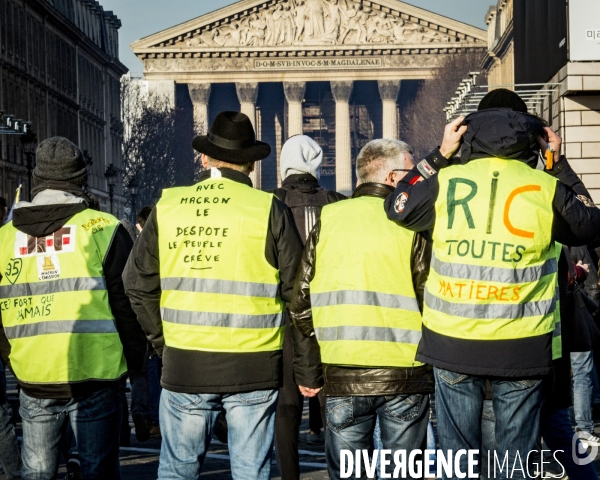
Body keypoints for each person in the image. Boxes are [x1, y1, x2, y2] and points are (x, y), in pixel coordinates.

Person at [385, 88, 600, 479]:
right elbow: (591, 222)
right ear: (532, 137)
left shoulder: (447, 182)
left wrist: (439, 154)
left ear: (468, 132)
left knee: (458, 461)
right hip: (520, 346)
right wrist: (557, 163)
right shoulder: (543, 188)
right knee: (515, 465)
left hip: (452, 338)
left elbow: (398, 205)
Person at [123, 111, 303, 480]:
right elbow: (300, 293)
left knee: (177, 471)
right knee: (251, 472)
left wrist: (163, 342)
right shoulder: (269, 209)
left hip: (185, 362)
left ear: (205, 158)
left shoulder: (168, 207)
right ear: (252, 164)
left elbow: (136, 284)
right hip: (253, 365)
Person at [0, 137, 146, 479]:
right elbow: (126, 306)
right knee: (98, 470)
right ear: (80, 180)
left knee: (36, 472)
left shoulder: (6, 237)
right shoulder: (103, 229)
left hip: (34, 374)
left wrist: (13, 356)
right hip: (95, 373)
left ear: (38, 181)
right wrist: (136, 365)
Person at [292, 139, 433, 480]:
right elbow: (430, 295)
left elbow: (301, 302)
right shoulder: (411, 222)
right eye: (410, 172)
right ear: (392, 176)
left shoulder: (329, 218)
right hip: (405, 373)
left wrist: (310, 369)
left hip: (341, 374)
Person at [270, 135, 345, 479]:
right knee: (335, 411)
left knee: (286, 410)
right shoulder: (337, 204)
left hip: (284, 320)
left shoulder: (270, 204)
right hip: (330, 320)